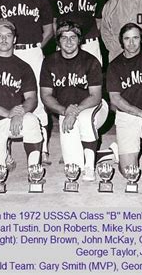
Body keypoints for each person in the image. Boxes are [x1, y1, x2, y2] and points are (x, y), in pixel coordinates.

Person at [0, 0, 53, 165]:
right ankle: (4, 149)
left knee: (37, 97)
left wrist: (34, 48)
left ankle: (42, 148)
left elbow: (48, 30)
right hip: (8, 52)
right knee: (6, 95)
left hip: (33, 52)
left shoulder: (39, 0)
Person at [0, 19, 43, 182]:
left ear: (15, 39)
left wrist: (21, 112)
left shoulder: (24, 66)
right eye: (0, 35)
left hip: (14, 120)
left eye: (8, 35)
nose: (4, 39)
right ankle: (3, 154)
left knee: (32, 121)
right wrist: (8, 113)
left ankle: (33, 171)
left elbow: (32, 98)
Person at [40, 21, 108, 181]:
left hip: (93, 108)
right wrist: (65, 112)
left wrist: (74, 111)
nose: (69, 41)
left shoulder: (91, 61)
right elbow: (46, 96)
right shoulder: (49, 62)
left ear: (79, 40)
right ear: (58, 41)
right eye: (64, 38)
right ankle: (105, 154)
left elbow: (95, 96)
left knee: (84, 119)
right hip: (67, 111)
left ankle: (90, 167)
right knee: (73, 166)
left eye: (73, 37)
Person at [106, 23, 142, 185]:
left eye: (135, 38)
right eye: (127, 39)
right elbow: (115, 99)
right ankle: (119, 150)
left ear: (141, 39)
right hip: (126, 115)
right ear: (121, 41)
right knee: (128, 172)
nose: (131, 43)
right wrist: (140, 113)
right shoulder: (114, 65)